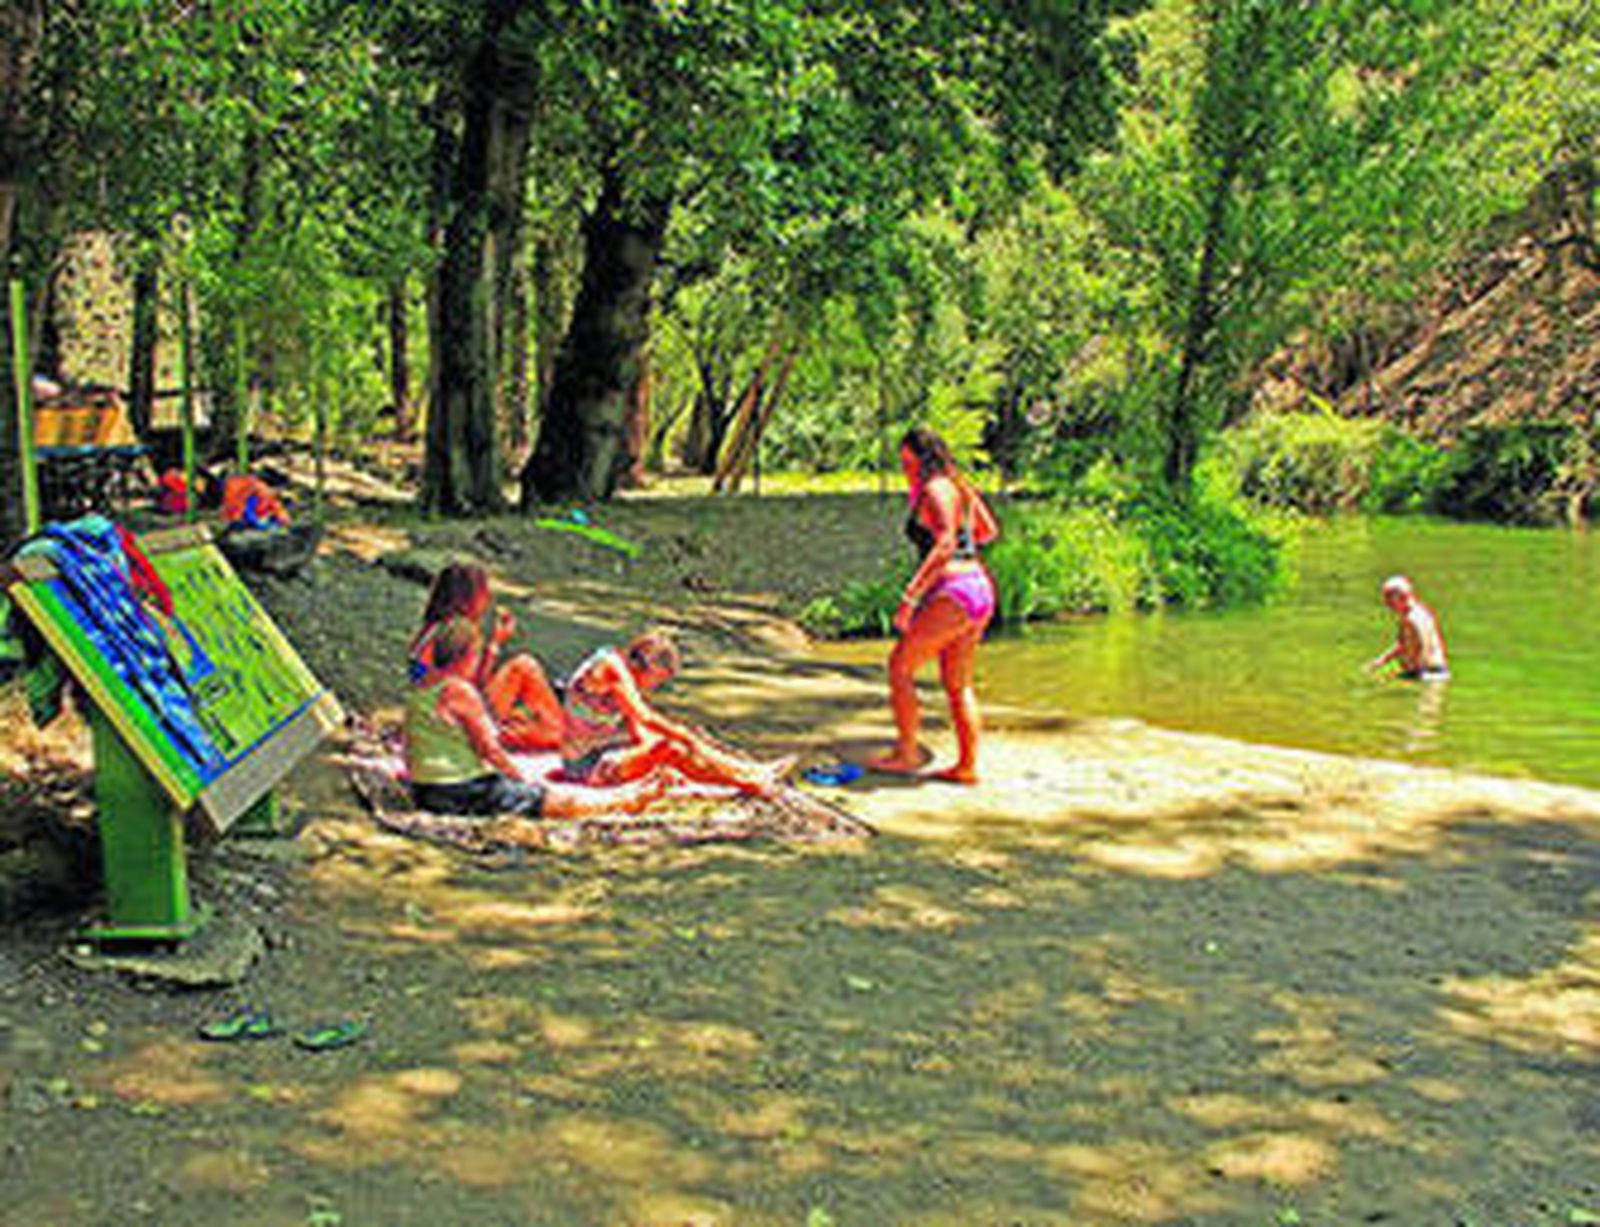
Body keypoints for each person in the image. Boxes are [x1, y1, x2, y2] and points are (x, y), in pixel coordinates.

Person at [406, 617, 672, 819]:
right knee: (553, 800)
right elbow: (489, 751)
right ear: (465, 658)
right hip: (459, 792)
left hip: (428, 789)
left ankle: (622, 797)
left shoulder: (426, 686)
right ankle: (624, 801)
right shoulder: (459, 693)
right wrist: (521, 779)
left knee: (540, 742)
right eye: (476, 653)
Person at [866, 427, 1000, 784]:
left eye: (908, 462)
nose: (905, 470)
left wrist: (910, 597)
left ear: (924, 458)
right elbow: (987, 531)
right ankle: (967, 766)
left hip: (953, 592)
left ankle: (907, 753)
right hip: (979, 588)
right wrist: (963, 545)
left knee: (900, 667)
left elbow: (942, 545)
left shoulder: (935, 489)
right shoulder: (959, 487)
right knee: (958, 684)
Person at [559, 629, 793, 795]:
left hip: (601, 753)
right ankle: (749, 781)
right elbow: (646, 717)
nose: (653, 687)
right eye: (656, 681)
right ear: (646, 666)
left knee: (678, 742)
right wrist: (682, 739)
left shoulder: (625, 674)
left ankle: (751, 771)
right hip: (585, 767)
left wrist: (671, 752)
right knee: (673, 747)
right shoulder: (611, 668)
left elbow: (640, 730)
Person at [409, 561, 564, 751]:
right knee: (524, 666)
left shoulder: (429, 631)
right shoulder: (461, 632)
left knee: (522, 719)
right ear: (469, 597)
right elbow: (469, 689)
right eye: (484, 592)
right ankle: (561, 731)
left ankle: (527, 731)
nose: (488, 599)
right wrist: (495, 645)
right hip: (454, 722)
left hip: (432, 716)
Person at [1368, 574, 1449, 680]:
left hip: (1428, 673)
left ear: (1402, 596)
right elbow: (1403, 645)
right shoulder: (1419, 612)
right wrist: (1381, 661)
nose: (1387, 604)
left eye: (1388, 597)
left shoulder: (1413, 618)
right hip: (1434, 671)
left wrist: (1411, 669)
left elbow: (1423, 645)